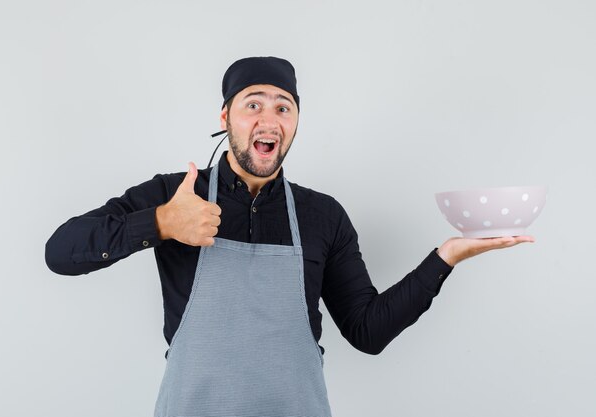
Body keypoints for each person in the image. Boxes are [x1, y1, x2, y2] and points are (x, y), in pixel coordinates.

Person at [45, 56, 534, 417]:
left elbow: (368, 331)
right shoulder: (177, 196)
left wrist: (445, 257)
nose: (269, 118)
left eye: (283, 107)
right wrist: (159, 224)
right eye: (252, 104)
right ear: (225, 119)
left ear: (295, 123)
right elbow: (60, 252)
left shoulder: (322, 216)